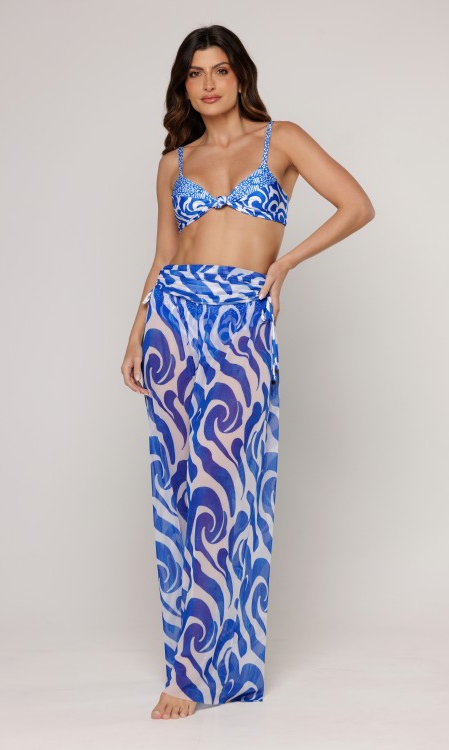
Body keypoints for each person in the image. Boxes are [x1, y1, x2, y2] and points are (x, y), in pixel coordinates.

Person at [121, 24, 375, 721]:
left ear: (240, 77)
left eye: (219, 70)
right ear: (185, 87)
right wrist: (136, 330)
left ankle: (205, 670)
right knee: (181, 490)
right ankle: (193, 662)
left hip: (241, 321)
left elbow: (357, 205)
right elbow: (163, 255)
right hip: (174, 321)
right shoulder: (174, 163)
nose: (208, 84)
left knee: (226, 488)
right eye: (195, 73)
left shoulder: (280, 140)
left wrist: (285, 263)